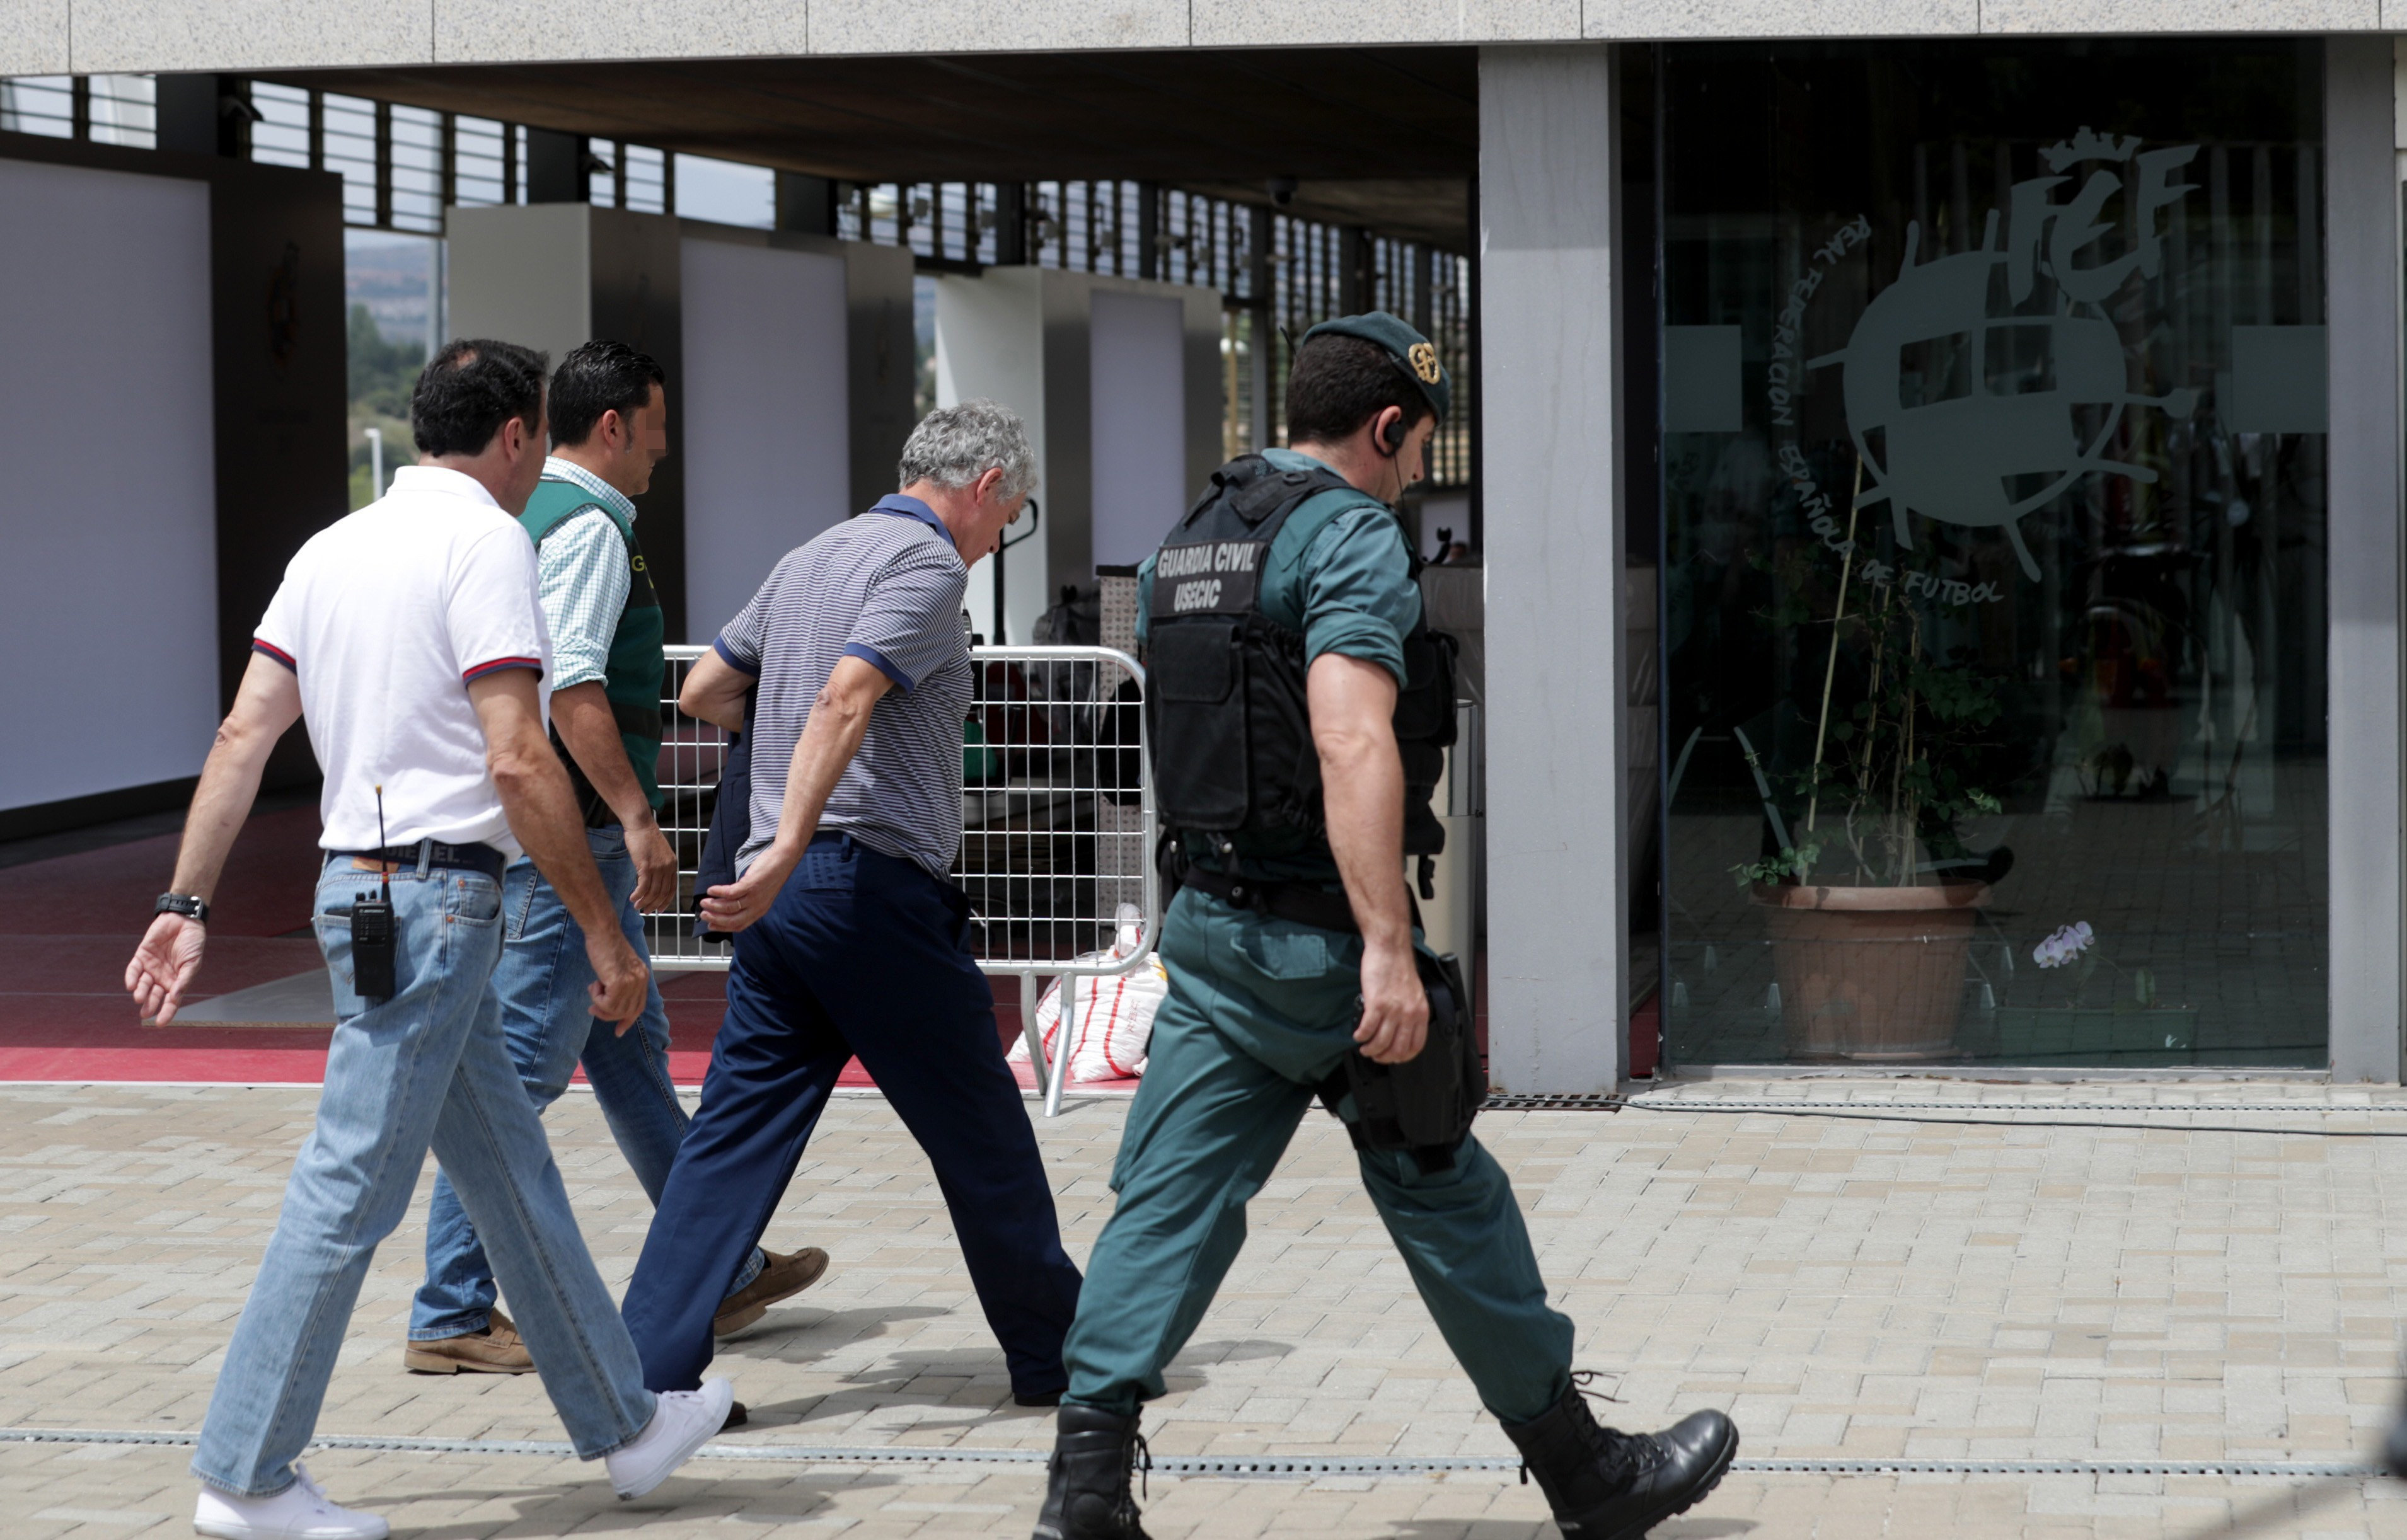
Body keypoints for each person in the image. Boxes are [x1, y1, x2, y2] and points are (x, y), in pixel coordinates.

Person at [1031, 314, 1740, 1540]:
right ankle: (1585, 1472)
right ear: (1384, 424)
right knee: (1441, 1182)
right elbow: (1350, 735)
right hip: (1317, 949)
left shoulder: (1186, 545)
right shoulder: (1346, 534)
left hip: (1207, 935)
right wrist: (1383, 946)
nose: (1415, 475)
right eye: (1415, 448)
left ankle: (1082, 1493)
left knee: (1166, 1197)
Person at [129, 340, 732, 1540]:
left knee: (511, 1175)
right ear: (517, 434)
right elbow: (517, 754)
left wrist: (184, 903)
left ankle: (626, 1427)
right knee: (349, 1186)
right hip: (442, 904)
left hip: (359, 890)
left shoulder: (329, 549)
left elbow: (244, 737)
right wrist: (607, 937)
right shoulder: (487, 543)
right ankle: (247, 1474)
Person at [618, 399, 1083, 1405]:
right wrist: (792, 833)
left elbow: (703, 689)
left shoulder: (811, 557)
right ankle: (1063, 1358)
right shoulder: (924, 567)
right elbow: (846, 696)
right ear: (985, 487)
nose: (1001, 535)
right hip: (863, 887)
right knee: (981, 1129)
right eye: (1010, 514)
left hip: (784, 913)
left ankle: (644, 1379)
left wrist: (778, 793)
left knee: (732, 1142)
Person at [405, 340, 825, 1389]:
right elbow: (573, 690)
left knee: (630, 1053)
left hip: (549, 835)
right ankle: (451, 1307)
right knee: (520, 1076)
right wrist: (638, 817)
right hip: (578, 838)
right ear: (613, 430)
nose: (663, 454)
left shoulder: (520, 519)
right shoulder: (586, 527)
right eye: (658, 432)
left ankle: (718, 1265)